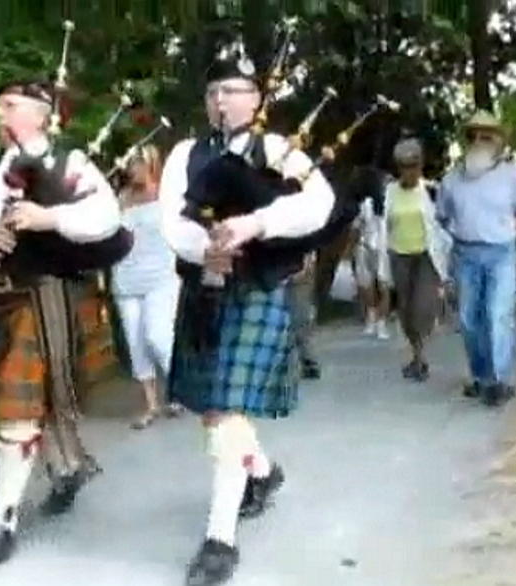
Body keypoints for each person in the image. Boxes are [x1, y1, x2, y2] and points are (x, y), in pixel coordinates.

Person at [159, 48, 333, 585]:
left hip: (256, 288)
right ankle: (261, 470)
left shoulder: (281, 150)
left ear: (256, 98)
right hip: (205, 288)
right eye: (213, 93)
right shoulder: (185, 154)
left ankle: (220, 538)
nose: (220, 101)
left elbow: (318, 205)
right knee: (215, 414)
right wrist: (202, 248)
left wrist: (256, 224)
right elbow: (172, 217)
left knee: (229, 411)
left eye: (232, 91)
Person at [0, 78, 122, 569]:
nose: (1, 114)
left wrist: (51, 217)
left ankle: (2, 521)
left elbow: (106, 217)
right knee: (26, 404)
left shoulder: (69, 161)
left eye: (12, 106)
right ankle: (66, 470)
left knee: (19, 411)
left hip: (47, 297)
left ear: (41, 114)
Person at [437, 110, 516, 407]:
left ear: (497, 141)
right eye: (474, 134)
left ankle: (501, 380)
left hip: (501, 253)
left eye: (486, 134)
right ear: (467, 139)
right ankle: (481, 378)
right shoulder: (452, 179)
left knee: (498, 315)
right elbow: (442, 217)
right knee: (468, 319)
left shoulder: (513, 176)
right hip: (465, 253)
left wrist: (510, 230)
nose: (479, 139)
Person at [110, 144, 184, 429]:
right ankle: (151, 404)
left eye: (140, 163)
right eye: (131, 163)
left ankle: (179, 390)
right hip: (127, 279)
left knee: (158, 336)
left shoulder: (166, 195)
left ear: (153, 164)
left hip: (162, 277)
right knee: (136, 342)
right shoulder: (121, 198)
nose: (134, 168)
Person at [379, 139, 449, 382]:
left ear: (420, 167)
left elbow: (443, 227)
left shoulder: (431, 191)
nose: (409, 171)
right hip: (399, 255)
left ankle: (421, 356)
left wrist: (446, 267)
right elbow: (384, 227)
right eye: (405, 167)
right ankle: (416, 355)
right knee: (406, 310)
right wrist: (382, 265)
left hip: (425, 256)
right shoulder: (389, 192)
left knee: (422, 307)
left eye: (414, 166)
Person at [351, 167, 393, 340]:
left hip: (384, 248)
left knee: (383, 286)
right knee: (367, 286)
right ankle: (372, 317)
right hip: (366, 246)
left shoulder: (392, 203)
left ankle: (381, 323)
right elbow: (356, 226)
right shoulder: (367, 204)